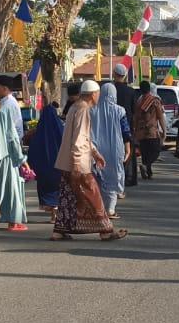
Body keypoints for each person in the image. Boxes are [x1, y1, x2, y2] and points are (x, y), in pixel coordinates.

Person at [51, 80, 128, 242]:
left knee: (68, 198)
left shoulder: (74, 107)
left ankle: (59, 231)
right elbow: (79, 139)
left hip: (66, 161)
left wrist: (95, 153)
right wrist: (77, 164)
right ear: (93, 94)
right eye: (97, 94)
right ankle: (106, 231)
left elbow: (83, 137)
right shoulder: (83, 110)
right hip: (78, 163)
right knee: (94, 196)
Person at [0, 74, 28, 231]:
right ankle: (9, 219)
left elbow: (12, 134)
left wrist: (19, 156)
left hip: (7, 152)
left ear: (4, 89)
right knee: (9, 187)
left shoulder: (6, 107)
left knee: (7, 187)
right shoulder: (7, 104)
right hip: (8, 151)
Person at [90, 80, 130, 218]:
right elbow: (125, 132)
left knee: (98, 178)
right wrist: (128, 148)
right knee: (113, 178)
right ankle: (110, 210)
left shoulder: (92, 110)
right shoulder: (120, 111)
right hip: (115, 149)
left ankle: (98, 208)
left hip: (96, 149)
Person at [29, 95, 66, 213]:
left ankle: (51, 212)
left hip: (43, 170)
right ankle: (55, 213)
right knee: (57, 189)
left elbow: (33, 150)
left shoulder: (39, 132)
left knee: (46, 190)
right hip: (58, 166)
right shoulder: (60, 129)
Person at [130, 79, 165, 179]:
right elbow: (160, 117)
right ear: (149, 89)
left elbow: (135, 117)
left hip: (140, 132)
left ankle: (148, 173)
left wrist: (135, 130)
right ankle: (145, 166)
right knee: (155, 151)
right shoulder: (155, 101)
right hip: (151, 131)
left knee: (145, 153)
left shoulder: (138, 102)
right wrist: (164, 130)